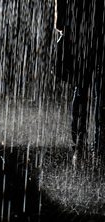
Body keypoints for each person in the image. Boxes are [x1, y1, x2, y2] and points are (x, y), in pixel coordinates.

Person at [54, 0, 105, 164]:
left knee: (81, 88)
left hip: (81, 26)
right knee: (99, 93)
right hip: (98, 26)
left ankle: (79, 144)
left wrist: (61, 21)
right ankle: (98, 147)